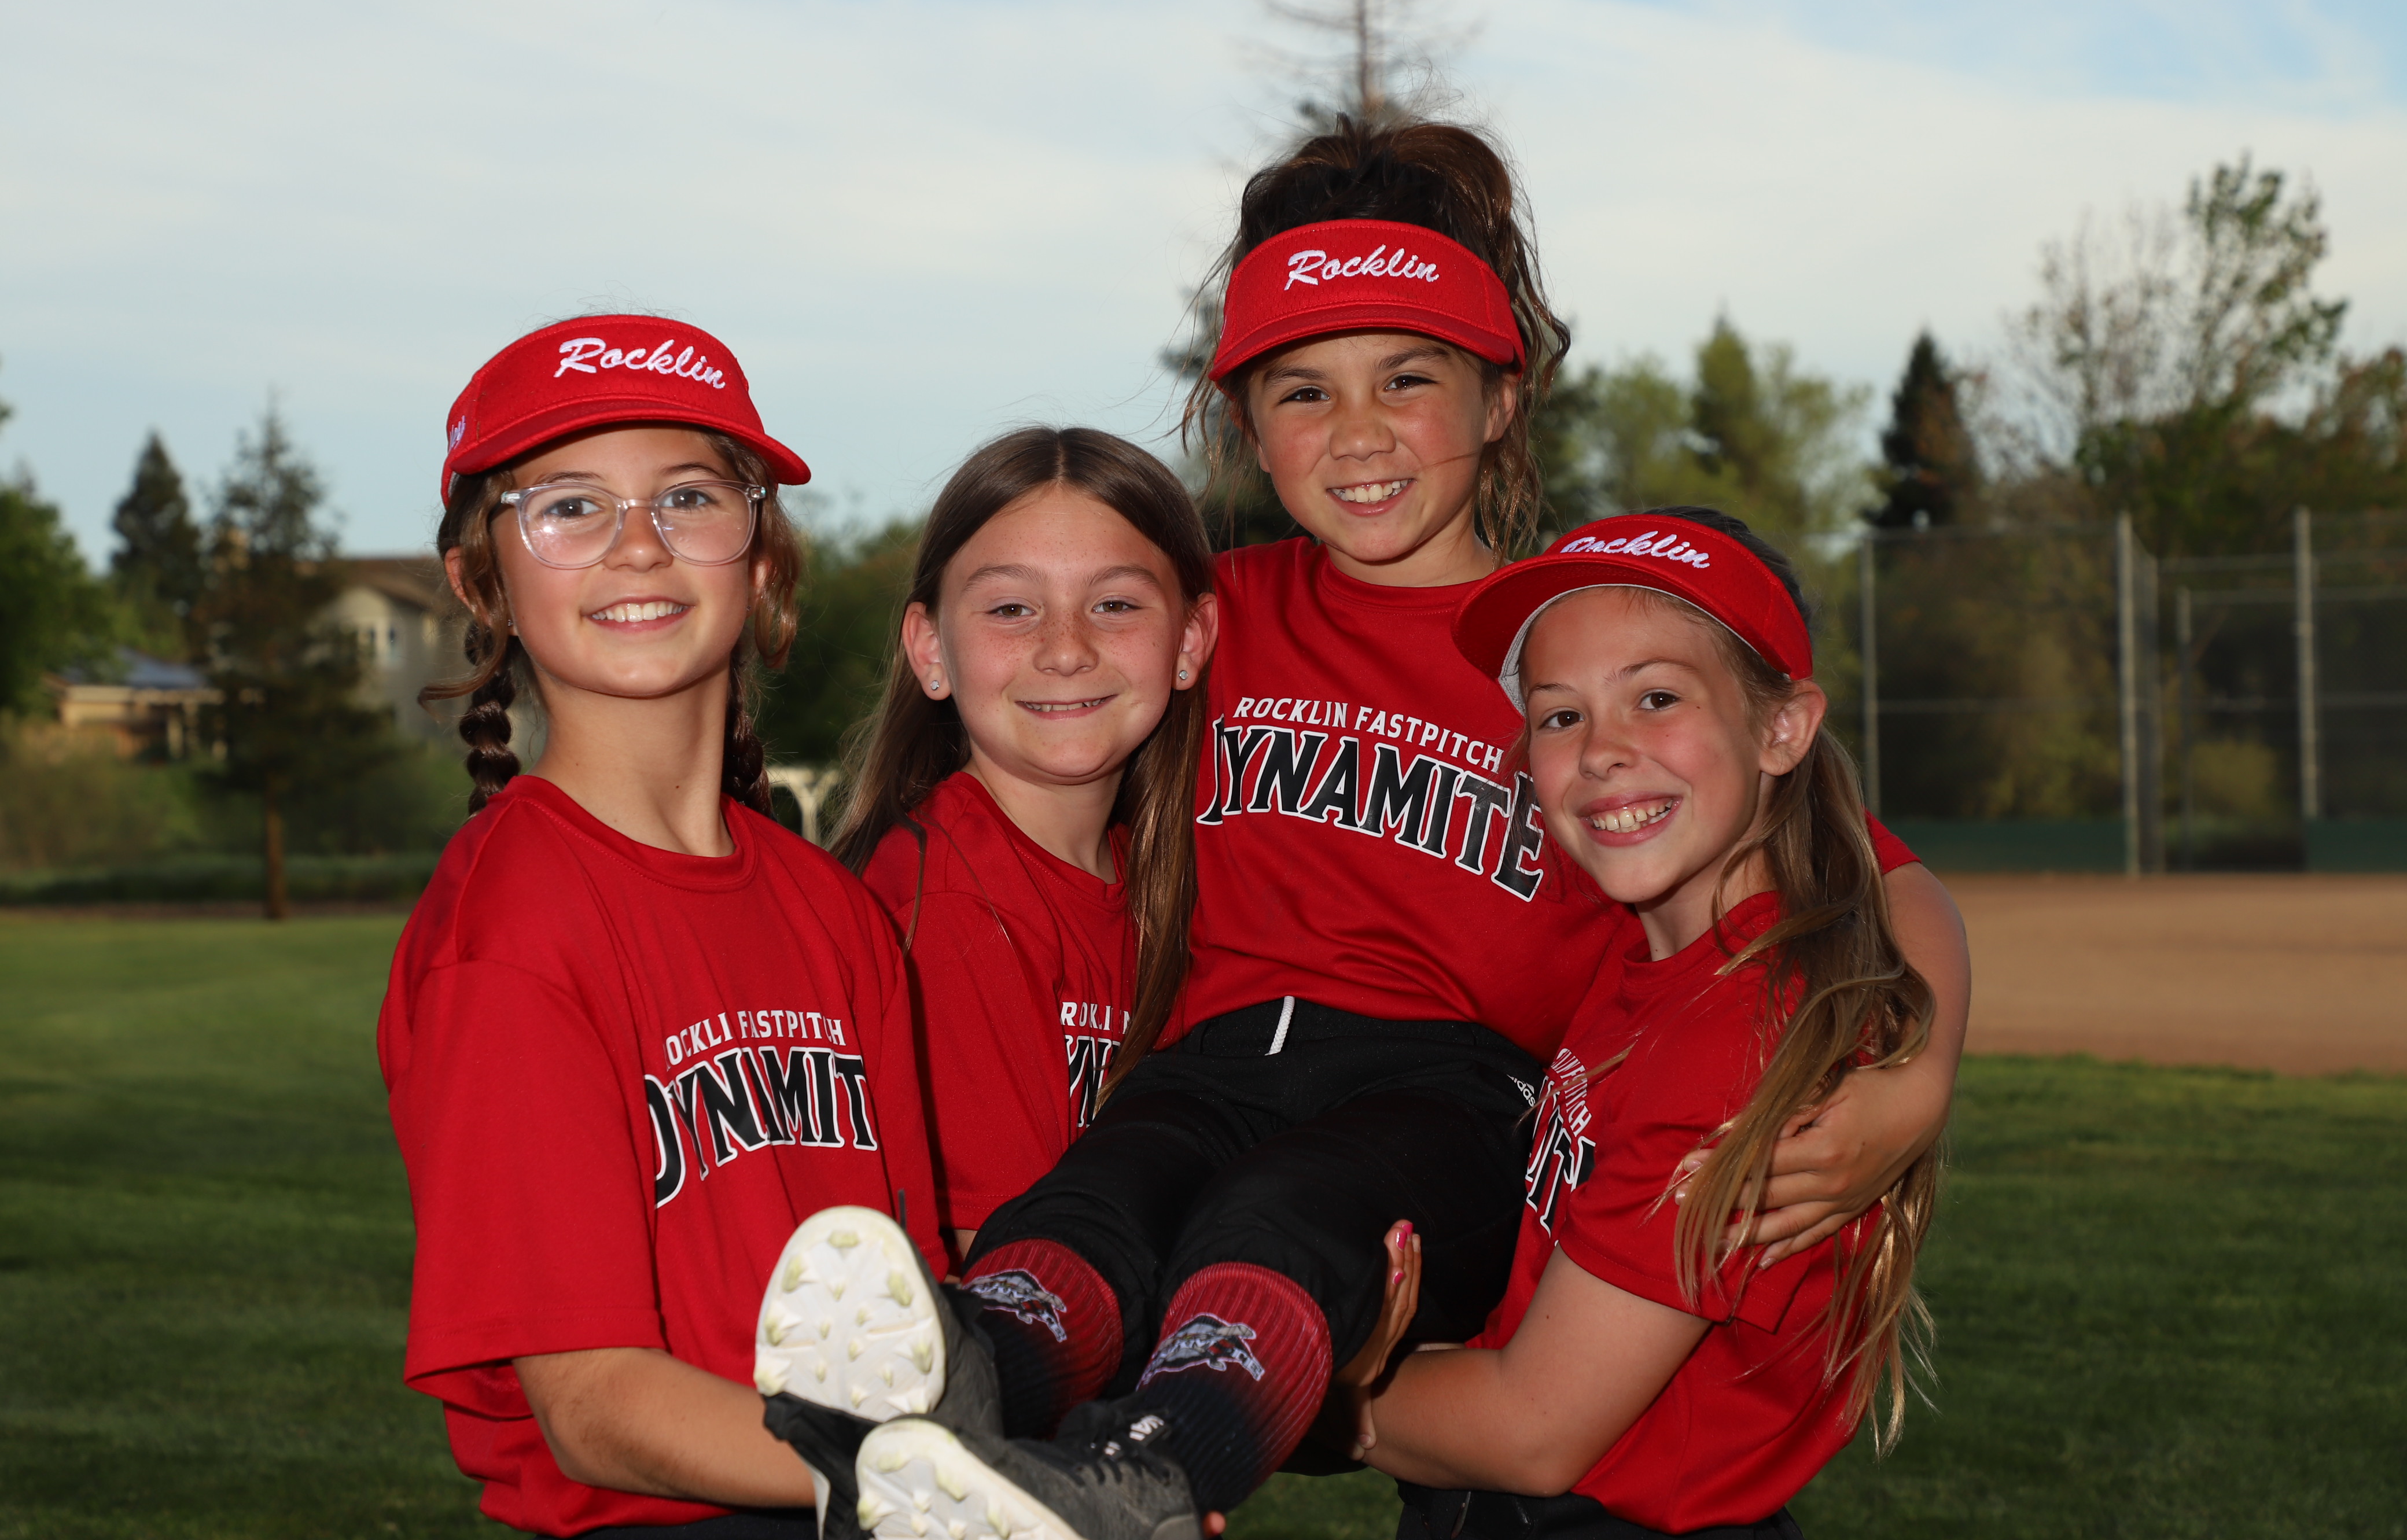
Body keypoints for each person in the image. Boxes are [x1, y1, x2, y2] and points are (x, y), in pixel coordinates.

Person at [820, 117, 1967, 1540]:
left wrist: (1916, 1079)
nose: (1357, 435)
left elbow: (1878, 877)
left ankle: (1152, 1472)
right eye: (1303, 391)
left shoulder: (1580, 644)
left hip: (1453, 1107)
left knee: (1284, 1216)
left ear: (1501, 400)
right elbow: (1045, 691)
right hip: (1218, 1067)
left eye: (1408, 380)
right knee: (1104, 1198)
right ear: (1246, 427)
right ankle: (970, 1373)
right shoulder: (1209, 616)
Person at [378, 316, 946, 1538]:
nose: (639, 545)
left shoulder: (832, 911)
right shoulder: (510, 932)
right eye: (570, 508)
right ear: (483, 581)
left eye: (688, 497)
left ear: (762, 557)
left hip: (868, 1498)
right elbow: (596, 1406)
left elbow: (920, 1303)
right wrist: (945, 1478)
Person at [1343, 507, 1943, 1540]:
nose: (1602, 752)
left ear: (1784, 728)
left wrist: (1295, 1388)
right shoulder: (1665, 944)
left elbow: (1534, 1430)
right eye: (1559, 716)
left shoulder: (1730, 1038)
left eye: (1656, 698)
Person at [827, 428, 1219, 1263]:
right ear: (931, 650)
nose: (1066, 649)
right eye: (1012, 609)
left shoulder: (1178, 885)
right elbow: (1011, 1270)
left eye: (1114, 605)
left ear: (1190, 640)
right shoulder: (944, 903)